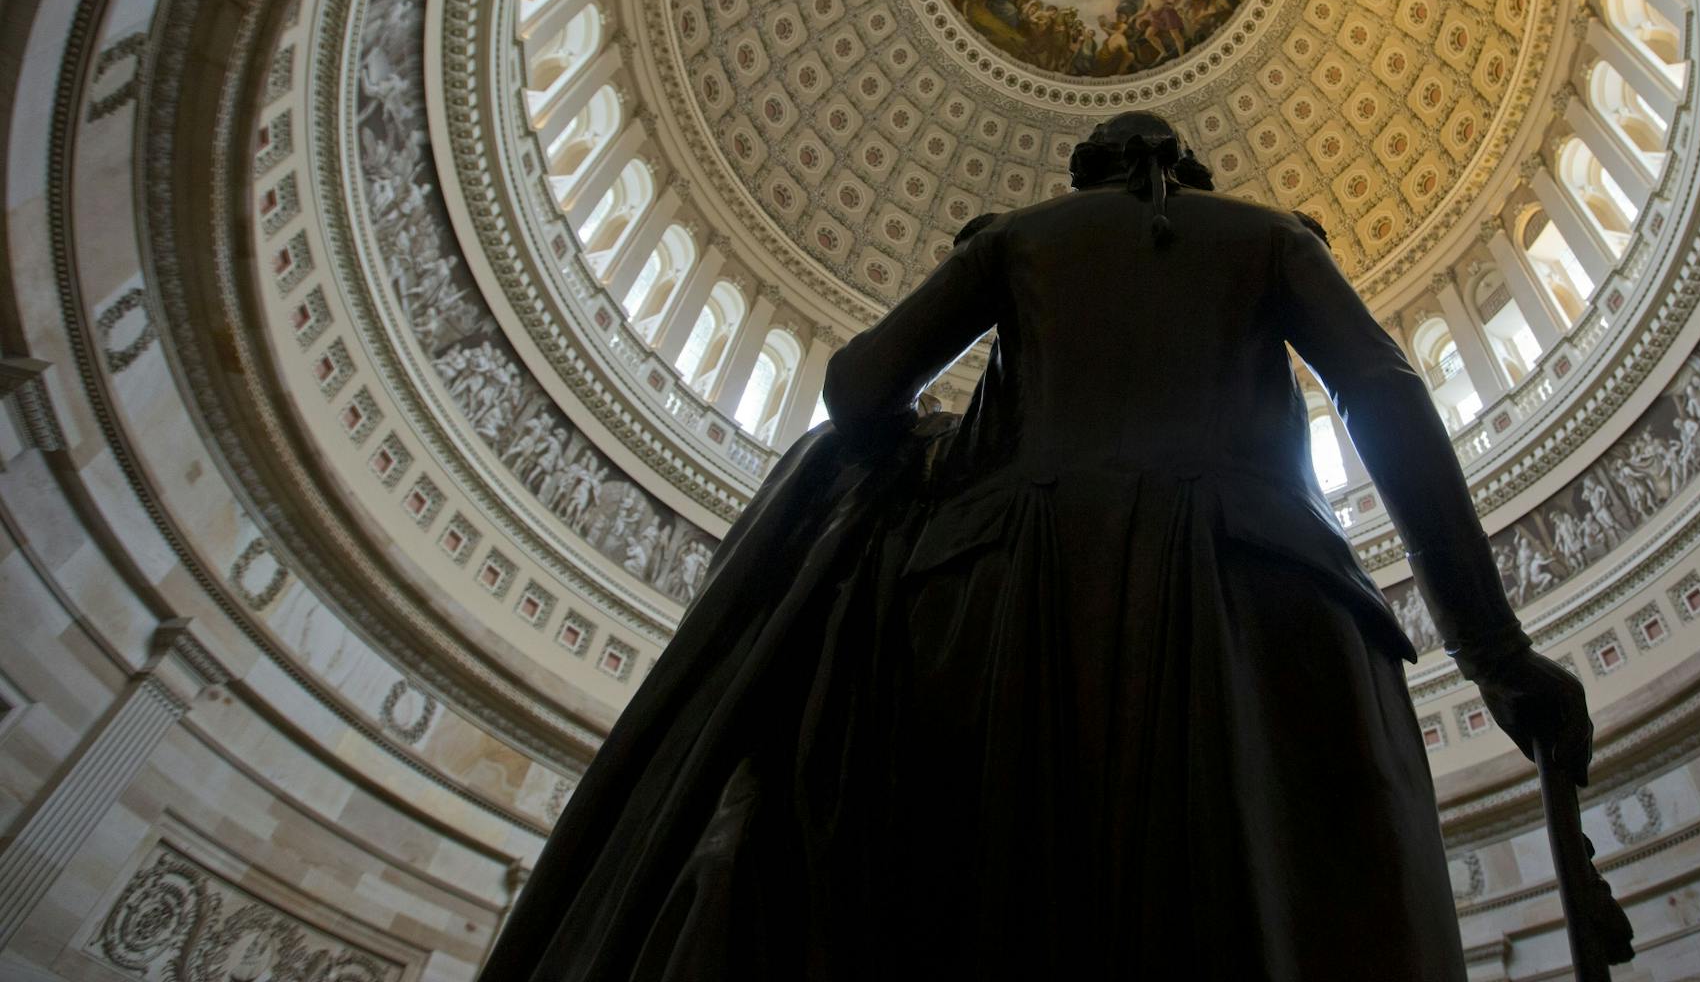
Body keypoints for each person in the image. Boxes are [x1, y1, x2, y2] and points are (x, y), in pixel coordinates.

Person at [480, 111, 1589, 982]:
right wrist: (1493, 653)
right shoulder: (1269, 237)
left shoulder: (1017, 241)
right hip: (1260, 584)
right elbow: (1387, 395)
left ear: (1085, 172)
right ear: (1188, 170)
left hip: (1008, 600)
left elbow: (859, 387)